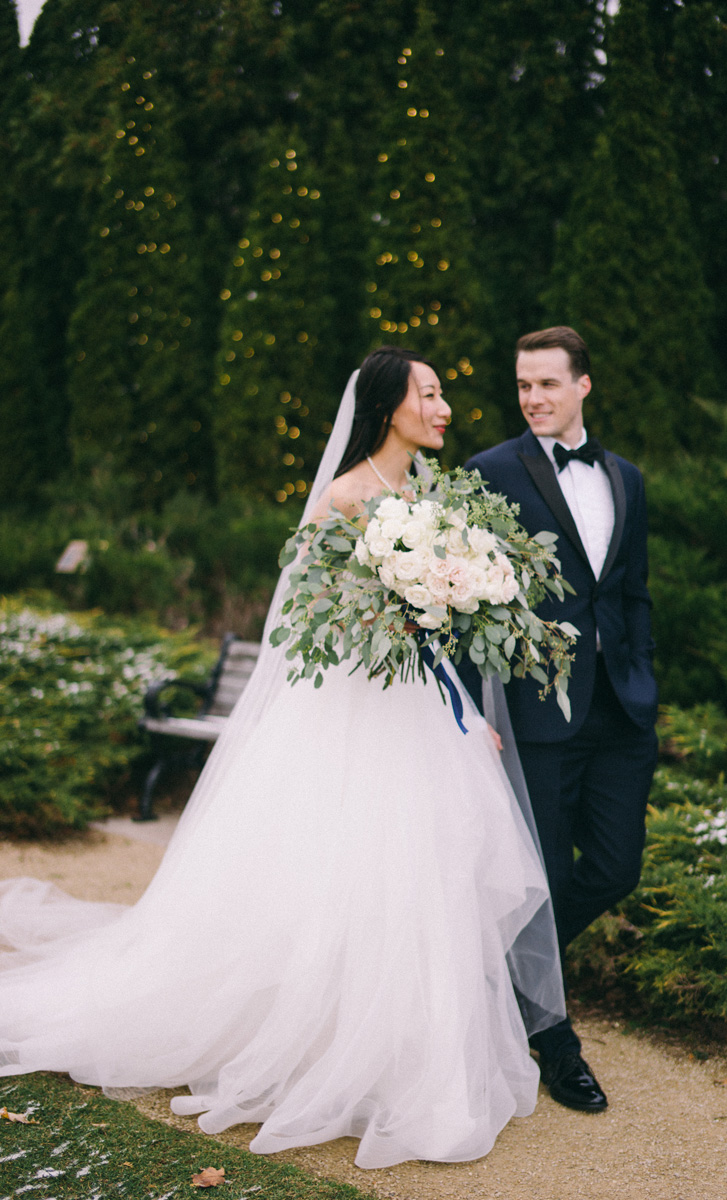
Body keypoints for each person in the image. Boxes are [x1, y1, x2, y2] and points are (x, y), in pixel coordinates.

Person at [0, 346, 565, 1170]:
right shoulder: (343, 499)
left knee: (416, 877)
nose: (444, 407)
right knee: (339, 877)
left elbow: (437, 623)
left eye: (443, 394)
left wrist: (460, 705)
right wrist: (388, 611)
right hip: (352, 715)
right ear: (388, 407)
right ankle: (314, 1052)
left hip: (419, 712)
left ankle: (406, 1060)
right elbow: (305, 619)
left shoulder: (434, 499)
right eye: (430, 394)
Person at [458, 326, 659, 1113]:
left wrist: (643, 672)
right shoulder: (489, 473)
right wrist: (479, 709)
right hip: (534, 715)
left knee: (614, 869)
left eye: (547, 384)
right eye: (522, 386)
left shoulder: (627, 479)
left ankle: (502, 983)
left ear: (583, 385)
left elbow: (633, 587)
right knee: (539, 882)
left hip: (621, 709)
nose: (533, 398)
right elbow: (461, 593)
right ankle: (554, 1041)